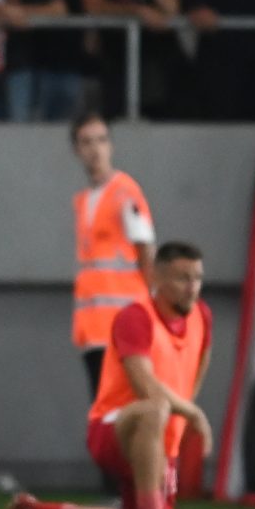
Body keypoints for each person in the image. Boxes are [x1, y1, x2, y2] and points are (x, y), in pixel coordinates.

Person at [0, 241, 214, 509]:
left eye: (197, 278)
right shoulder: (136, 317)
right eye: (182, 278)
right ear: (156, 277)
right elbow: (145, 386)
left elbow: (196, 369)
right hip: (114, 429)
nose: (192, 288)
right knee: (154, 409)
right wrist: (192, 413)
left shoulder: (202, 315)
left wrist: (183, 417)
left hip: (161, 438)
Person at [70, 112, 154, 401]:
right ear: (77, 150)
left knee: (125, 408)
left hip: (123, 327)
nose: (96, 149)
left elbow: (146, 251)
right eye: (87, 142)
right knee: (104, 410)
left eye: (102, 140)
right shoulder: (84, 200)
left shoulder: (124, 193)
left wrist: (154, 312)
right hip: (94, 330)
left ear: (111, 146)